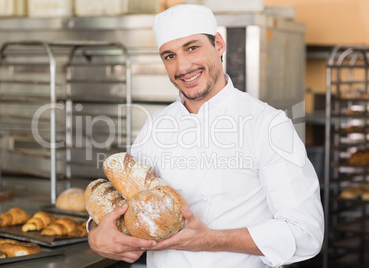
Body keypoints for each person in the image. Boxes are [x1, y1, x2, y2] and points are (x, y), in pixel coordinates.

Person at [88, 4, 324, 268]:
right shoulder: (155, 126)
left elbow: (306, 233)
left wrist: (210, 240)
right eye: (169, 56)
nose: (183, 66)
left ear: (219, 44)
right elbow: (124, 201)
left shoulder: (268, 125)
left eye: (192, 48)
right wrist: (95, 234)